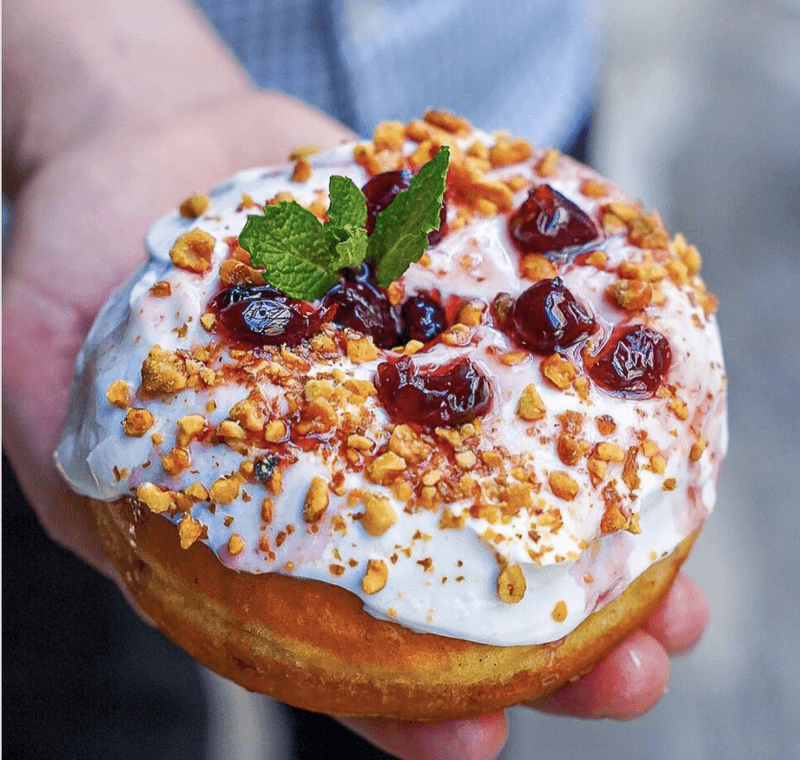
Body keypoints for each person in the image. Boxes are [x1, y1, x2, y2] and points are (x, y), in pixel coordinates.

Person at [2, 1, 710, 758]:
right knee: (89, 698)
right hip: (94, 136)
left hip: (504, 115)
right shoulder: (172, 319)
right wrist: (77, 95)